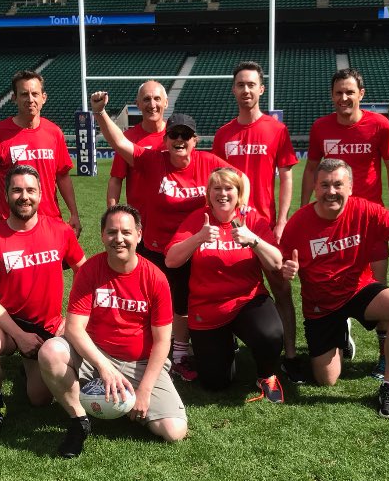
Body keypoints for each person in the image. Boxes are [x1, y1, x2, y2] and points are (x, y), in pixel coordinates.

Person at [90, 90, 225, 383]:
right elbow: (120, 142)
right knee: (153, 299)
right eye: (174, 134)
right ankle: (153, 350)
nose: (179, 139)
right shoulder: (152, 160)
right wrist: (100, 113)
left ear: (194, 140)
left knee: (186, 303)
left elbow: (239, 182)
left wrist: (235, 214)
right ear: (165, 140)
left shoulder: (207, 162)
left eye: (185, 135)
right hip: (156, 245)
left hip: (193, 245)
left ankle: (180, 353)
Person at [38, 204, 188, 458]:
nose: (119, 239)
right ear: (102, 235)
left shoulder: (156, 278)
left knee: (174, 431)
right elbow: (74, 327)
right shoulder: (90, 271)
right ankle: (80, 419)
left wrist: (145, 391)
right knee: (51, 351)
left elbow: (163, 342)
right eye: (112, 232)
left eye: (126, 232)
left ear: (139, 235)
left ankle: (122, 399)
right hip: (96, 356)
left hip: (140, 362)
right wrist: (104, 367)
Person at [280, 158, 389, 419]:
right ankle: (341, 334)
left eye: (338, 184)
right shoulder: (299, 223)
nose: (331, 191)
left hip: (358, 290)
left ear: (350, 187)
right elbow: (281, 260)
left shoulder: (365, 210)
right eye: (324, 185)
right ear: (315, 188)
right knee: (327, 380)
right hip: (320, 305)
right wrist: (286, 268)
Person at [0, 164, 86, 438]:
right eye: (17, 190)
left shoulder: (60, 230)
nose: (25, 196)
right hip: (7, 325)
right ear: (6, 194)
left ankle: (29, 367)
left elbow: (86, 273)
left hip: (47, 326)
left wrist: (73, 318)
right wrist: (20, 336)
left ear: (41, 193)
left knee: (39, 400)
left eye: (31, 190)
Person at [301, 67, 389, 379]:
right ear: (332, 96)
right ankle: (338, 333)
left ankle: (384, 358)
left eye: (349, 92)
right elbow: (311, 168)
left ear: (361, 94)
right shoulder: (321, 127)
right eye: (338, 92)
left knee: (378, 288)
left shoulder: (380, 125)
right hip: (332, 224)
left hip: (369, 224)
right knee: (332, 283)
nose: (343, 98)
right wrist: (303, 209)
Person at [211, 60, 302, 384]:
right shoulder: (224, 134)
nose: (246, 90)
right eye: (241, 84)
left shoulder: (276, 129)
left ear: (261, 89)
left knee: (282, 289)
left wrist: (281, 220)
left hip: (265, 226)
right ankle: (228, 343)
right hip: (231, 230)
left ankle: (289, 357)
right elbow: (218, 182)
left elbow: (286, 176)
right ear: (233, 89)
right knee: (229, 285)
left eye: (252, 84)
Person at [165, 166, 285, 403]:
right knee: (215, 384)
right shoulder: (198, 219)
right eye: (216, 188)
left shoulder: (251, 218)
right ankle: (225, 344)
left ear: (238, 193)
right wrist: (198, 237)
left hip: (246, 300)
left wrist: (254, 240)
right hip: (207, 308)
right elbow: (171, 260)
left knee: (270, 334)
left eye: (228, 188)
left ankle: (266, 375)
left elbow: (276, 262)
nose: (222, 194)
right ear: (208, 193)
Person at [0, 68, 82, 240]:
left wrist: (74, 213)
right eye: (24, 94)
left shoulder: (54, 132)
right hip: (12, 227)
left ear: (44, 98)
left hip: (49, 224)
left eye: (35, 93)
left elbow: (63, 176)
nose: (30, 99)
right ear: (14, 98)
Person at [106, 79, 168, 253]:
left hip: (173, 222)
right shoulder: (128, 138)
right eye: (147, 99)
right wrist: (113, 214)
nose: (152, 104)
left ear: (166, 102)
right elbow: (116, 179)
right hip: (139, 224)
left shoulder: (176, 135)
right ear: (138, 104)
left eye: (157, 98)